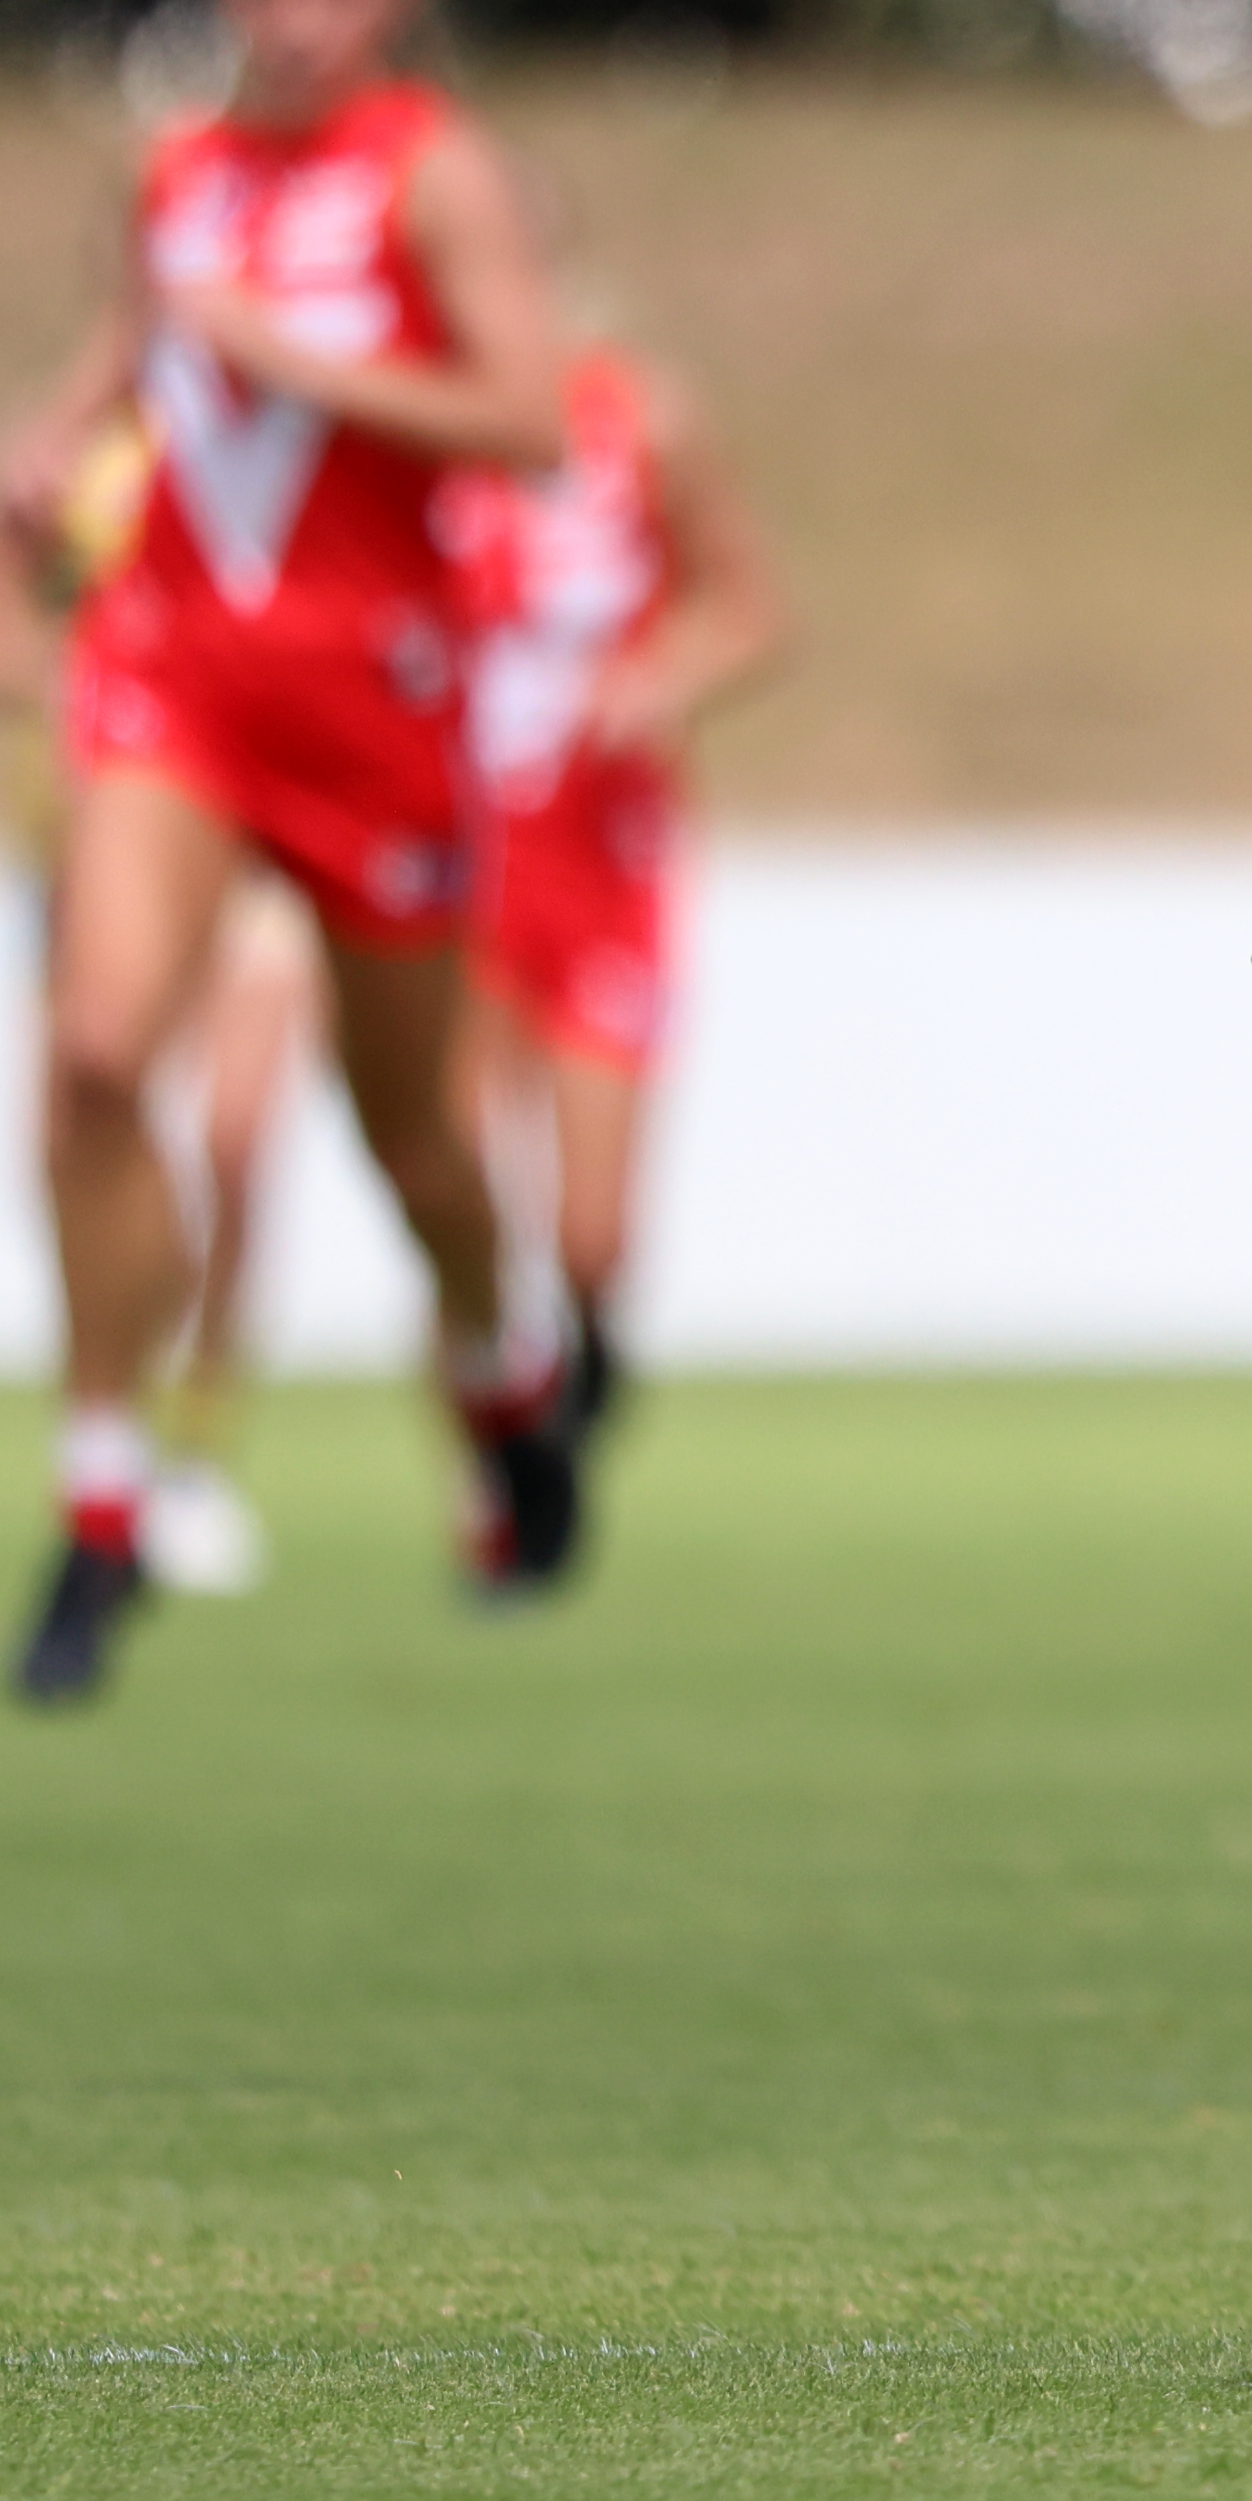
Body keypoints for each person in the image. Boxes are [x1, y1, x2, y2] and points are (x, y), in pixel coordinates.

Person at [0, 0, 569, 1707]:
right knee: (90, 1054)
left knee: (417, 1147)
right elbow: (138, 339)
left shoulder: (433, 172)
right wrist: (47, 429)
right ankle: (97, 1501)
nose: (295, 21)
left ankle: (499, 1372)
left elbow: (528, 417)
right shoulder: (179, 176)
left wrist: (309, 366)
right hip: (174, 686)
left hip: (374, 711)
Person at [0, 416, 322, 1599]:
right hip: (77, 853)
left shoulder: (294, 452)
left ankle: (199, 1444)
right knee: (65, 1153)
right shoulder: (76, 467)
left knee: (235, 1138)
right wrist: (86, 680)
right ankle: (114, 1435)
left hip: (253, 851)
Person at [435, 322, 790, 1592]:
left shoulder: (639, 421)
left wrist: (662, 678)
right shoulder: (417, 424)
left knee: (589, 1230)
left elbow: (748, 607)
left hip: (604, 864)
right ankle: (494, 1494)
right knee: (459, 1187)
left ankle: (584, 1351)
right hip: (452, 865)